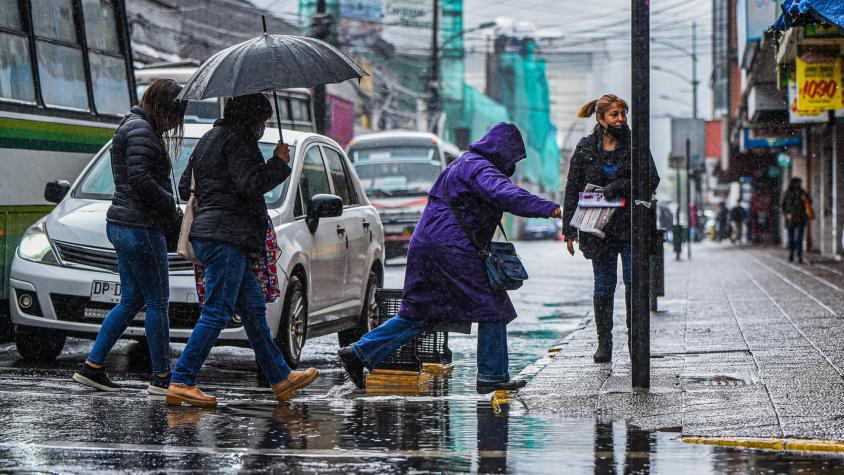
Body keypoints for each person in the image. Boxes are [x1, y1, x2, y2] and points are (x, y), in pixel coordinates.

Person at [337, 123, 561, 394]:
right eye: (512, 158)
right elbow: (506, 194)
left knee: (421, 311)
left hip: (428, 246)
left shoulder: (462, 163)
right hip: (451, 248)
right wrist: (551, 208)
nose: (511, 166)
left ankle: (359, 353)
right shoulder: (480, 168)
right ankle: (492, 375)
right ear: (502, 151)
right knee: (493, 307)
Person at [165, 94, 318, 407]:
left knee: (252, 309)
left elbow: (184, 186)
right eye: (263, 120)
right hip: (225, 236)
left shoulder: (208, 139)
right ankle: (182, 379)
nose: (263, 127)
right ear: (253, 119)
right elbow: (249, 184)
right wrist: (278, 163)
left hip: (212, 233)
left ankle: (279, 377)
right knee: (218, 311)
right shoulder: (240, 140)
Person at [72, 79, 187, 394]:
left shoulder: (133, 126)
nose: (177, 122)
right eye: (176, 114)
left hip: (122, 224)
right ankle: (162, 378)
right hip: (141, 227)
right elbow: (140, 179)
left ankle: (92, 366)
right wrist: (170, 205)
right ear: (164, 109)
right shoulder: (141, 132)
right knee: (158, 302)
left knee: (131, 299)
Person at [561, 94, 660, 364]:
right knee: (603, 286)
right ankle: (604, 343)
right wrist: (569, 230)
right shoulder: (584, 148)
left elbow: (652, 179)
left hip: (631, 228)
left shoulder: (636, 144)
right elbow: (572, 189)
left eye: (623, 114)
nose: (621, 119)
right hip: (597, 230)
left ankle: (634, 342)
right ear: (600, 118)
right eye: (615, 114)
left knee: (633, 286)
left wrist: (620, 186)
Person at [781, 177, 810, 263]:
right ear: (793, 183)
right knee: (791, 238)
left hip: (801, 218)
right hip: (791, 219)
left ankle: (799, 255)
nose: (799, 185)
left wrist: (806, 199)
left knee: (799, 238)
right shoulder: (787, 193)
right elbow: (782, 206)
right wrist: (787, 214)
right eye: (798, 183)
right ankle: (791, 253)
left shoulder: (802, 192)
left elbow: (809, 202)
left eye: (800, 183)